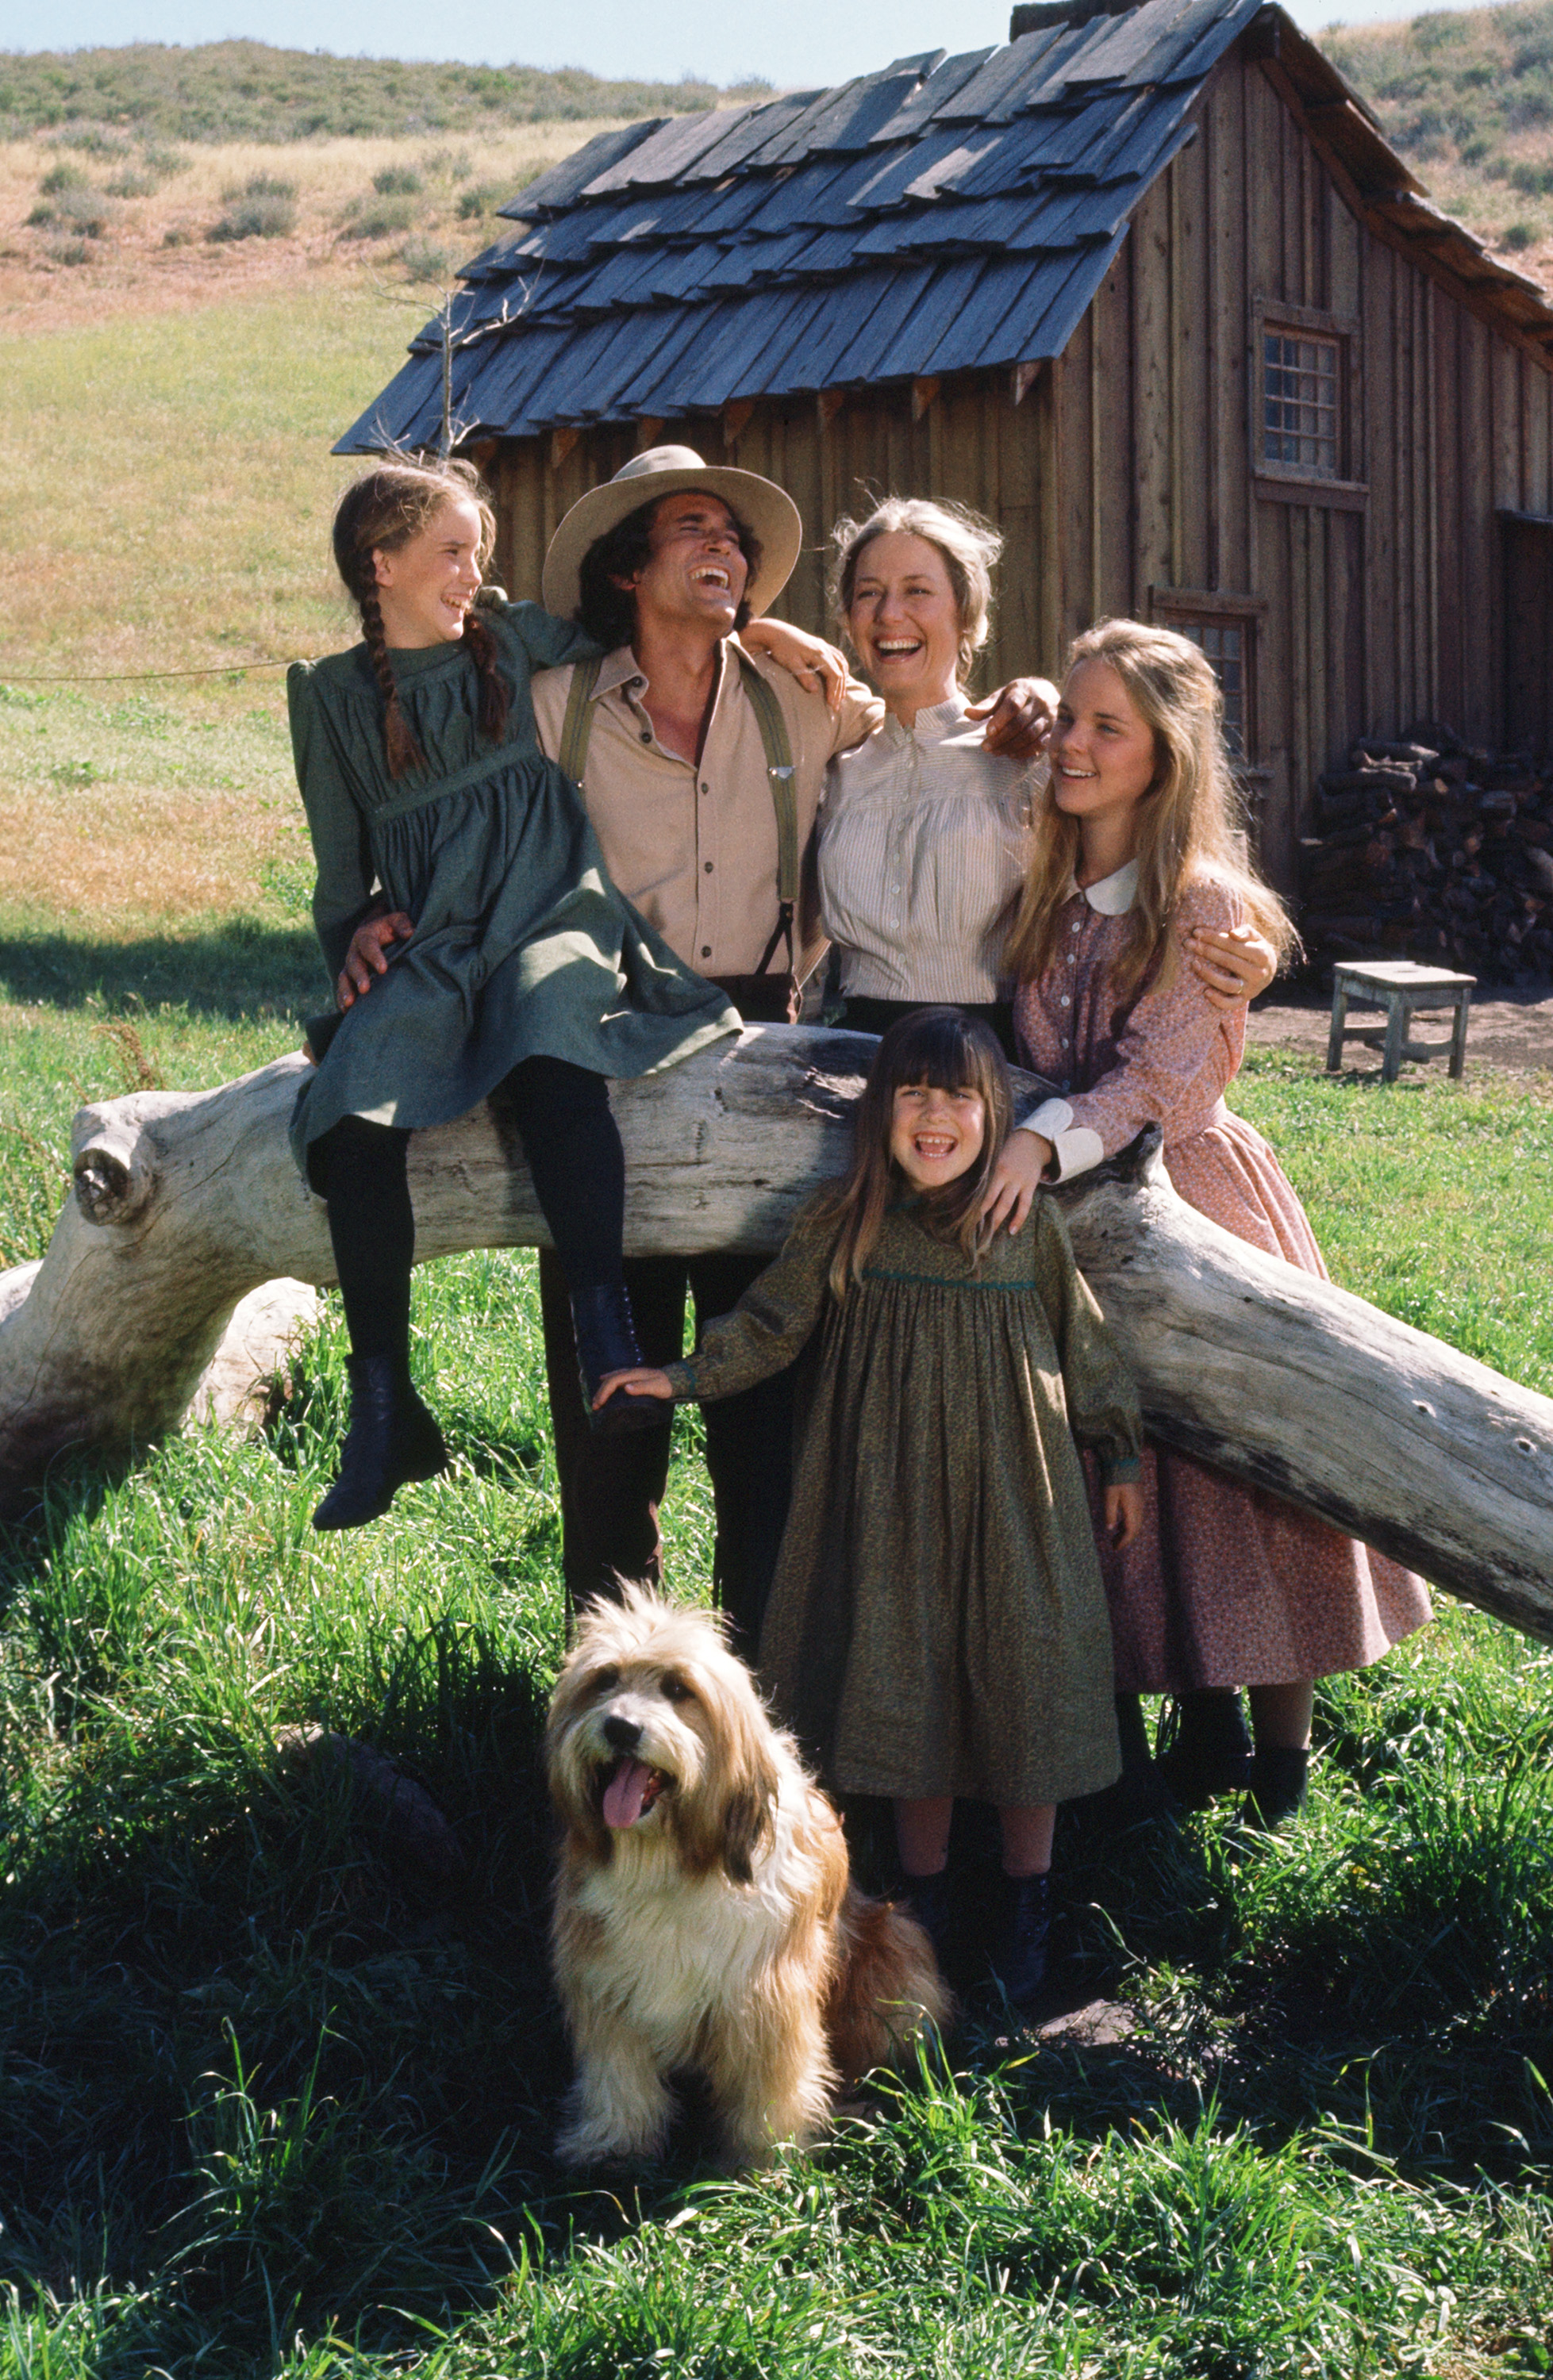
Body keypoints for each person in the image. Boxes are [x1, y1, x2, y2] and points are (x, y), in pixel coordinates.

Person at [333, 447, 1052, 1650]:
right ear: (626, 568)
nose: (724, 544)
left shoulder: (807, 699)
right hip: (590, 1069)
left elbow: (941, 730)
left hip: (763, 1070)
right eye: (689, 526)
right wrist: (364, 908)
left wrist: (1021, 693)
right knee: (607, 1425)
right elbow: (423, 794)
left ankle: (759, 1716)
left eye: (734, 530)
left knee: (765, 1424)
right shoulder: (552, 705)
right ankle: (609, 1700)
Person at [595, 1008, 1145, 2004]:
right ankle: (918, 1906)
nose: (935, 1118)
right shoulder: (845, 1222)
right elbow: (768, 1327)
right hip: (885, 1507)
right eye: (913, 1096)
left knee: (1024, 1679)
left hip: (1016, 1505)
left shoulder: (1027, 1230)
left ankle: (1027, 1899)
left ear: (997, 1113)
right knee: (909, 1685)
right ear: (882, 1113)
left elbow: (1086, 1344)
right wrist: (675, 1378)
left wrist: (1118, 1457)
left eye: (960, 1098)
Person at [998, 619, 1432, 1825]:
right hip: (1083, 1223)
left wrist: (1041, 1139)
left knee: (1243, 1473)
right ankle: (1190, 1728)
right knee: (1128, 1477)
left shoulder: (1202, 907)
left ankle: (1281, 1764)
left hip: (1199, 1197)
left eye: (1106, 728)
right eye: (1070, 721)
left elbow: (1159, 1080)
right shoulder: (1049, 882)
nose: (1074, 746)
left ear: (1166, 756)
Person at [290, 455, 744, 1531]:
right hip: (440, 939)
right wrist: (352, 935)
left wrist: (774, 636)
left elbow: (657, 630)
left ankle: (607, 1342)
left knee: (554, 1054)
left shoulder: (512, 640)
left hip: (550, 910)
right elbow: (335, 868)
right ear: (381, 562)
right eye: (451, 552)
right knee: (351, 1119)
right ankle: (383, 1406)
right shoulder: (332, 698)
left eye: (477, 553)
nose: (470, 572)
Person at [817, 497, 1279, 1071]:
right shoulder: (832, 770)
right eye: (867, 592)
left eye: (917, 590)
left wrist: (1247, 948)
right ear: (846, 619)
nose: (889, 614)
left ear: (967, 614)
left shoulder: (1033, 757)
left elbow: (1157, 853)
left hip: (993, 1060)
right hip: (855, 1058)